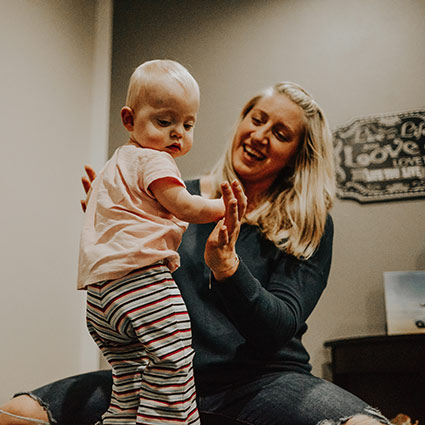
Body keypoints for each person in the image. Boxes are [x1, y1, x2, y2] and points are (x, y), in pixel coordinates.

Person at [0, 81, 392, 425]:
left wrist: (228, 268)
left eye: (281, 133)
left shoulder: (309, 224)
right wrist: (115, 230)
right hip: (157, 375)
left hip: (262, 382)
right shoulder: (164, 193)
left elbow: (277, 328)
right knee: (18, 413)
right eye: (256, 119)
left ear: (297, 155)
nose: (260, 135)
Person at [80, 59, 227, 425]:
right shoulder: (155, 161)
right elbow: (185, 205)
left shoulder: (115, 164)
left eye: (188, 124)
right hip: (141, 283)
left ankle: (121, 419)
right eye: (165, 122)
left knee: (129, 375)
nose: (178, 133)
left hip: (100, 296)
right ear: (129, 120)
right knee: (173, 360)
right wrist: (224, 206)